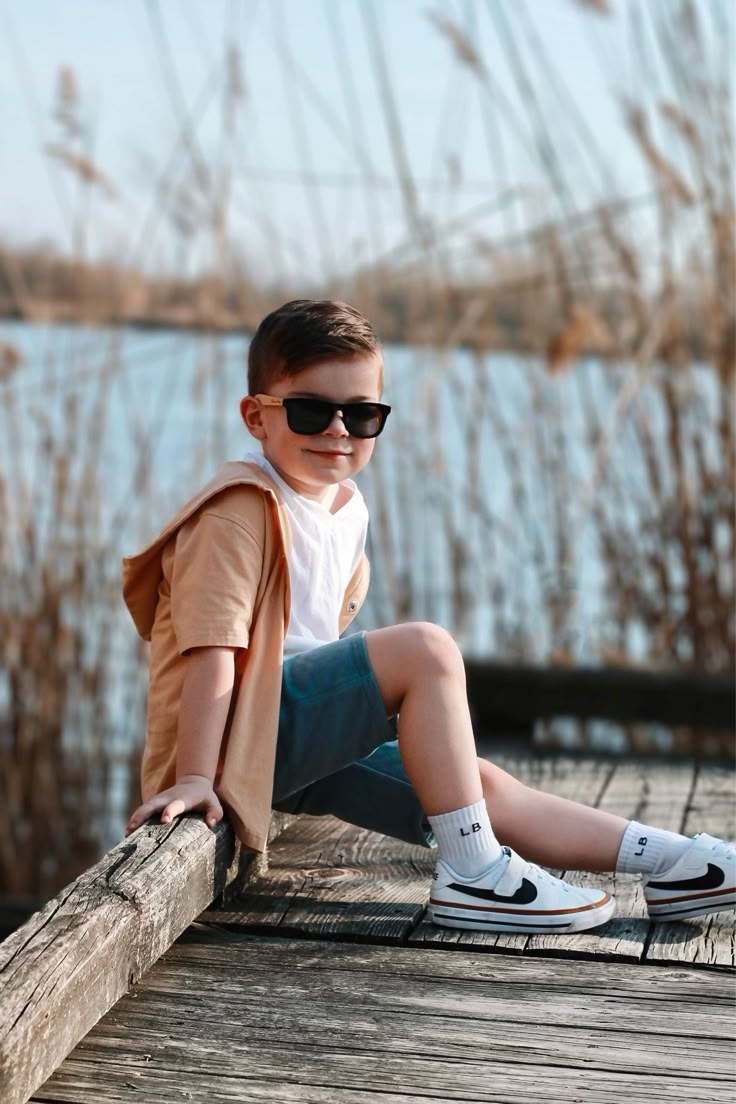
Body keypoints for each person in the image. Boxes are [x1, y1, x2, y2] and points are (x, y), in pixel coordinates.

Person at [122, 299, 735, 933]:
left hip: (283, 743)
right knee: (426, 650)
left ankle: (680, 863)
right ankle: (474, 877)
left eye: (362, 415)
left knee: (471, 785)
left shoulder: (342, 507)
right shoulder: (237, 513)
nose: (339, 430)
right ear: (256, 416)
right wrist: (194, 775)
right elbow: (211, 649)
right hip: (230, 743)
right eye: (310, 411)